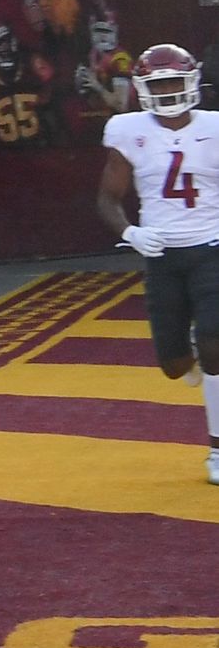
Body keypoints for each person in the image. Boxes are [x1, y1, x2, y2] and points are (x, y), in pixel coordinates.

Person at [96, 44, 219, 484]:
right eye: (159, 83)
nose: (168, 91)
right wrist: (130, 233)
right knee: (173, 365)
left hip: (211, 248)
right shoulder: (129, 131)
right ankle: (192, 348)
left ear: (192, 83)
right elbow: (108, 198)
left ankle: (217, 450)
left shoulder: (215, 128)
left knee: (215, 345)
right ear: (142, 89)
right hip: (162, 255)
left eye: (174, 82)